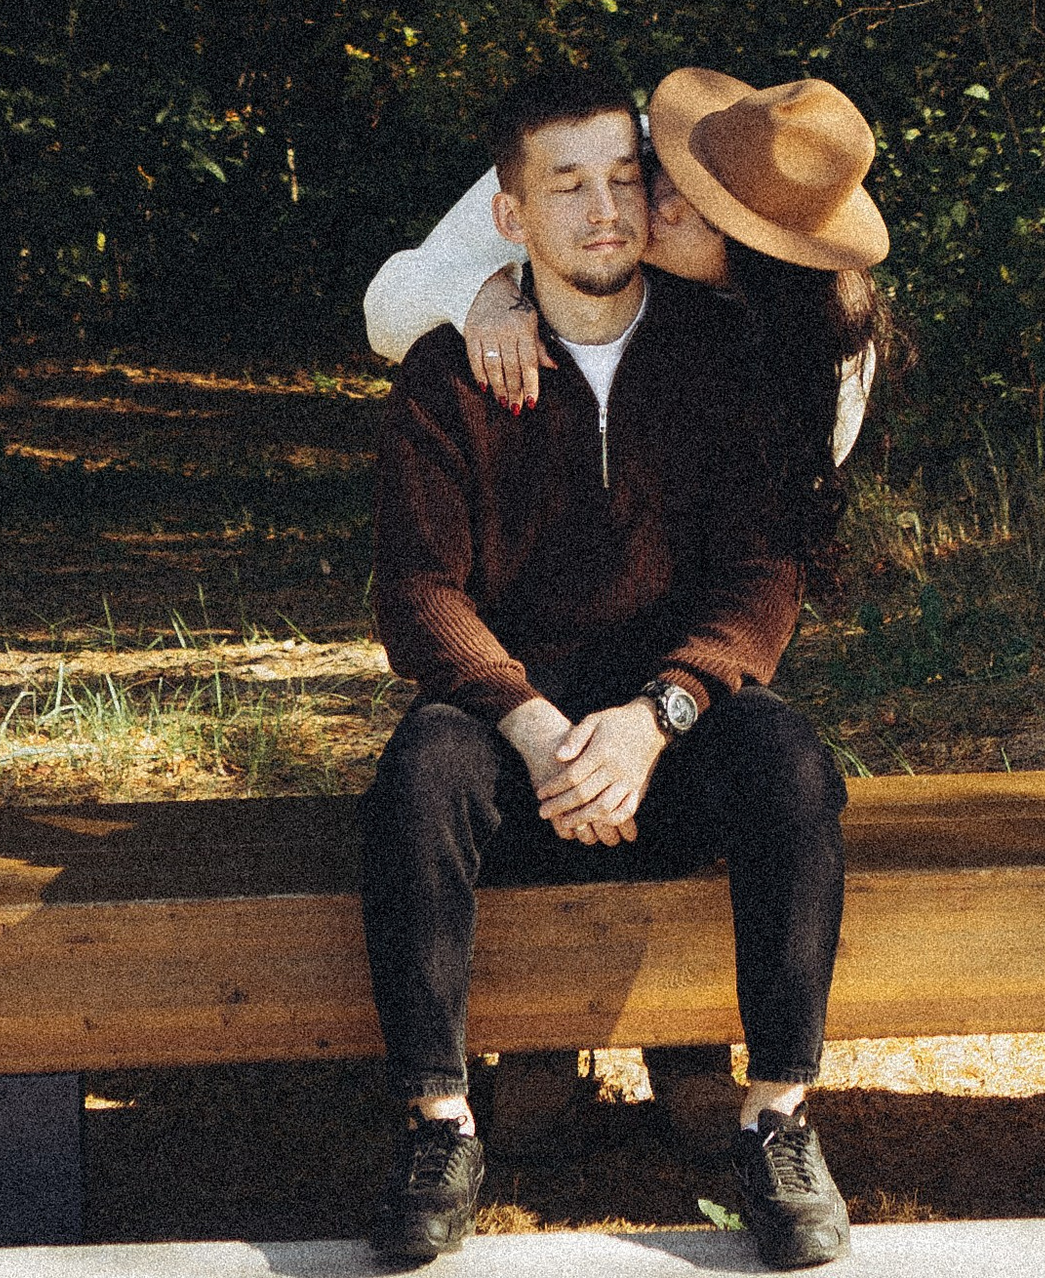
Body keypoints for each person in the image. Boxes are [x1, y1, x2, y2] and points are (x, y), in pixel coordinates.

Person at [360, 63, 881, 1273]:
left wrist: (659, 712)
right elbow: (417, 593)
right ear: (513, 215)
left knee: (793, 763)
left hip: (672, 737)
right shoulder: (451, 369)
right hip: (518, 739)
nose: (611, 212)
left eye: (627, 187)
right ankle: (440, 1128)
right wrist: (539, 728)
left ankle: (779, 1118)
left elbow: (763, 575)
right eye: (577, 189)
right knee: (423, 768)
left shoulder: (766, 357)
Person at [365, 65, 900, 593]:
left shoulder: (825, 364)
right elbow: (386, 306)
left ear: (754, 267)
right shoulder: (601, 149)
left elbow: (765, 536)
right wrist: (481, 294)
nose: (662, 204)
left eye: (708, 216)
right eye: (686, 177)